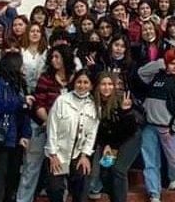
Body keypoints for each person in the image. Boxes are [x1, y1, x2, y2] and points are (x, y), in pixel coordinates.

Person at [16, 46, 75, 202]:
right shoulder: (46, 78)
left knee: (60, 171)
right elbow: (39, 103)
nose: (54, 60)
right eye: (52, 57)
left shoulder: (74, 79)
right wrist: (50, 122)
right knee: (31, 167)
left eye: (57, 57)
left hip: (65, 133)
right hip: (43, 126)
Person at [138, 48, 175, 202]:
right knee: (150, 162)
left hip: (167, 128)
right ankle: (154, 194)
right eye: (171, 63)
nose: (174, 66)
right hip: (149, 126)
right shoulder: (157, 75)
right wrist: (160, 63)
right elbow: (141, 72)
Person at [45, 69, 100, 202]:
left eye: (86, 82)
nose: (82, 85)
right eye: (79, 82)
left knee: (81, 188)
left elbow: (92, 133)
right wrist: (53, 154)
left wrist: (85, 155)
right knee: (55, 189)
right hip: (59, 152)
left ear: (91, 85)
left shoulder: (94, 105)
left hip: (78, 153)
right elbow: (52, 127)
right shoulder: (62, 101)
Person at [0, 52, 33, 202]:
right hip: (2, 138)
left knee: (13, 176)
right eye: (20, 64)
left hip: (17, 138)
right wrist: (19, 102)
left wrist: (26, 134)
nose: (22, 67)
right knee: (0, 175)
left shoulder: (20, 84)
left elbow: (26, 112)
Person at [92, 72, 142, 202]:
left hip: (129, 138)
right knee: (105, 172)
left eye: (110, 84)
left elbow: (130, 128)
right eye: (103, 84)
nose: (107, 87)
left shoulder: (122, 99)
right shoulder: (94, 102)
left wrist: (126, 111)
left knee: (118, 169)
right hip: (109, 140)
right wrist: (107, 144)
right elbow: (100, 129)